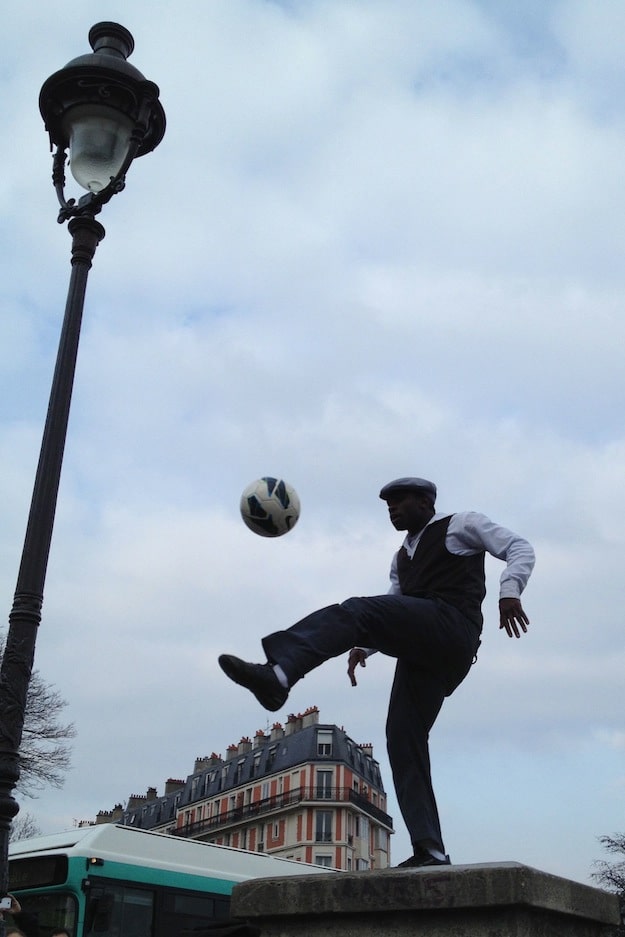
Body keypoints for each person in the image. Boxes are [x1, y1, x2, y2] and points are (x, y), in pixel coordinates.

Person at [219, 476, 535, 868]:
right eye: (387, 505)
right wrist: (363, 647)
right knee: (402, 736)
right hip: (427, 651)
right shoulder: (401, 558)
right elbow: (393, 604)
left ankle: (280, 674)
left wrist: (510, 591)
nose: (392, 510)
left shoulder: (461, 524)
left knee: (359, 610)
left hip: (452, 626)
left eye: (400, 502)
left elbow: (519, 547)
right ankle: (431, 849)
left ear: (426, 502)